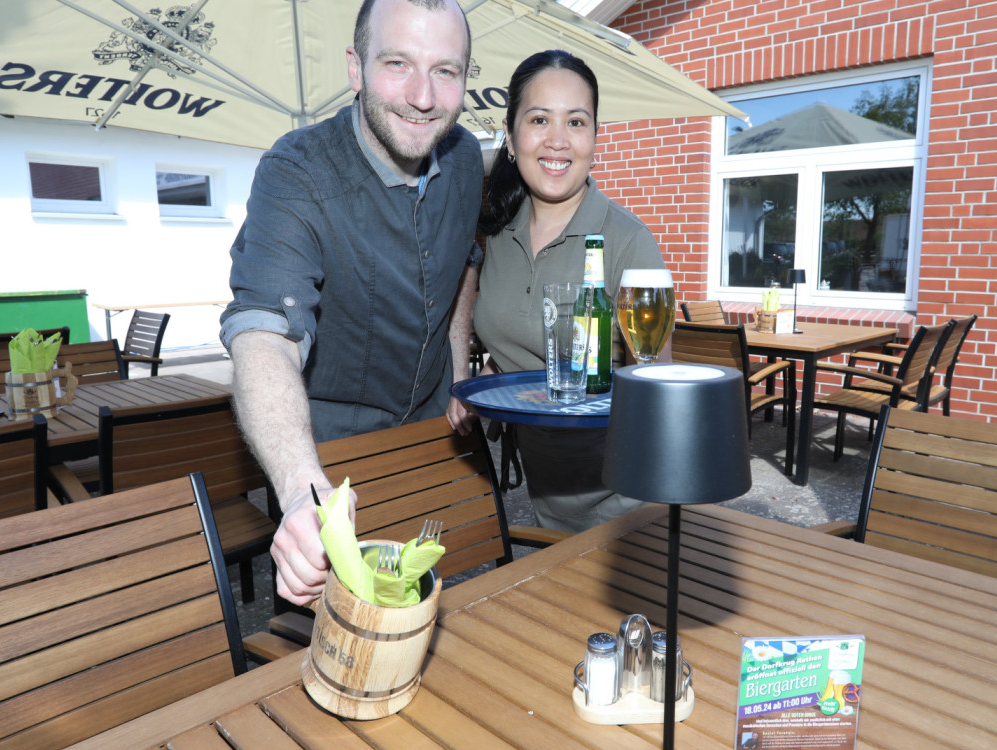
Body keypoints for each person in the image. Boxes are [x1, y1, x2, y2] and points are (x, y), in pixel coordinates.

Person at [218, 0, 482, 606]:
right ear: (355, 67)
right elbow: (264, 336)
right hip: (330, 466)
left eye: (447, 70)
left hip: (431, 446)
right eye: (397, 63)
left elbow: (467, 258)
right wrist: (302, 494)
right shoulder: (295, 171)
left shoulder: (466, 157)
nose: (423, 96)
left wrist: (460, 370)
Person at [473, 50, 668, 532]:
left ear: (595, 139)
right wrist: (481, 378)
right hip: (545, 497)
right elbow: (513, 336)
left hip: (628, 498)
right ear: (512, 136)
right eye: (539, 119)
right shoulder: (494, 233)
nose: (558, 140)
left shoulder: (628, 241)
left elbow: (657, 388)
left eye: (576, 122)